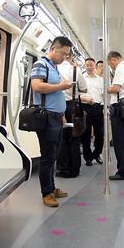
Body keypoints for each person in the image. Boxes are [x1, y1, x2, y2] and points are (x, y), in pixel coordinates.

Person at [29, 37, 74, 207]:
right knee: (47, 157)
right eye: (63, 54)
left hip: (56, 116)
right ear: (54, 49)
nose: (64, 58)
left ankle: (52, 187)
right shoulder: (41, 65)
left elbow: (56, 95)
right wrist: (60, 87)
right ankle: (46, 192)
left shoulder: (54, 68)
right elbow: (37, 86)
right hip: (46, 117)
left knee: (54, 154)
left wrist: (62, 114)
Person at [105, 51, 124, 180]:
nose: (111, 67)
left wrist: (104, 89)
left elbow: (116, 88)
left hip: (120, 108)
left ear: (113, 60)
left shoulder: (120, 68)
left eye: (109, 64)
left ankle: (123, 171)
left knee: (120, 141)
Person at [56, 56, 87, 178]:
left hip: (59, 104)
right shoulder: (76, 70)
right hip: (74, 106)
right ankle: (75, 169)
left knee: (62, 139)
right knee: (74, 137)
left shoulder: (55, 68)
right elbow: (84, 89)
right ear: (71, 58)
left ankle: (63, 168)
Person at [80, 57, 104, 166]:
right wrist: (85, 99)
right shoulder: (81, 78)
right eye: (87, 65)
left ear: (95, 66)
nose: (89, 67)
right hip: (85, 107)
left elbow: (103, 94)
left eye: (91, 65)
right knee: (86, 134)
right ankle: (87, 157)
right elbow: (76, 93)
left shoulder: (100, 79)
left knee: (100, 134)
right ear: (85, 66)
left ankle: (97, 153)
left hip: (98, 107)